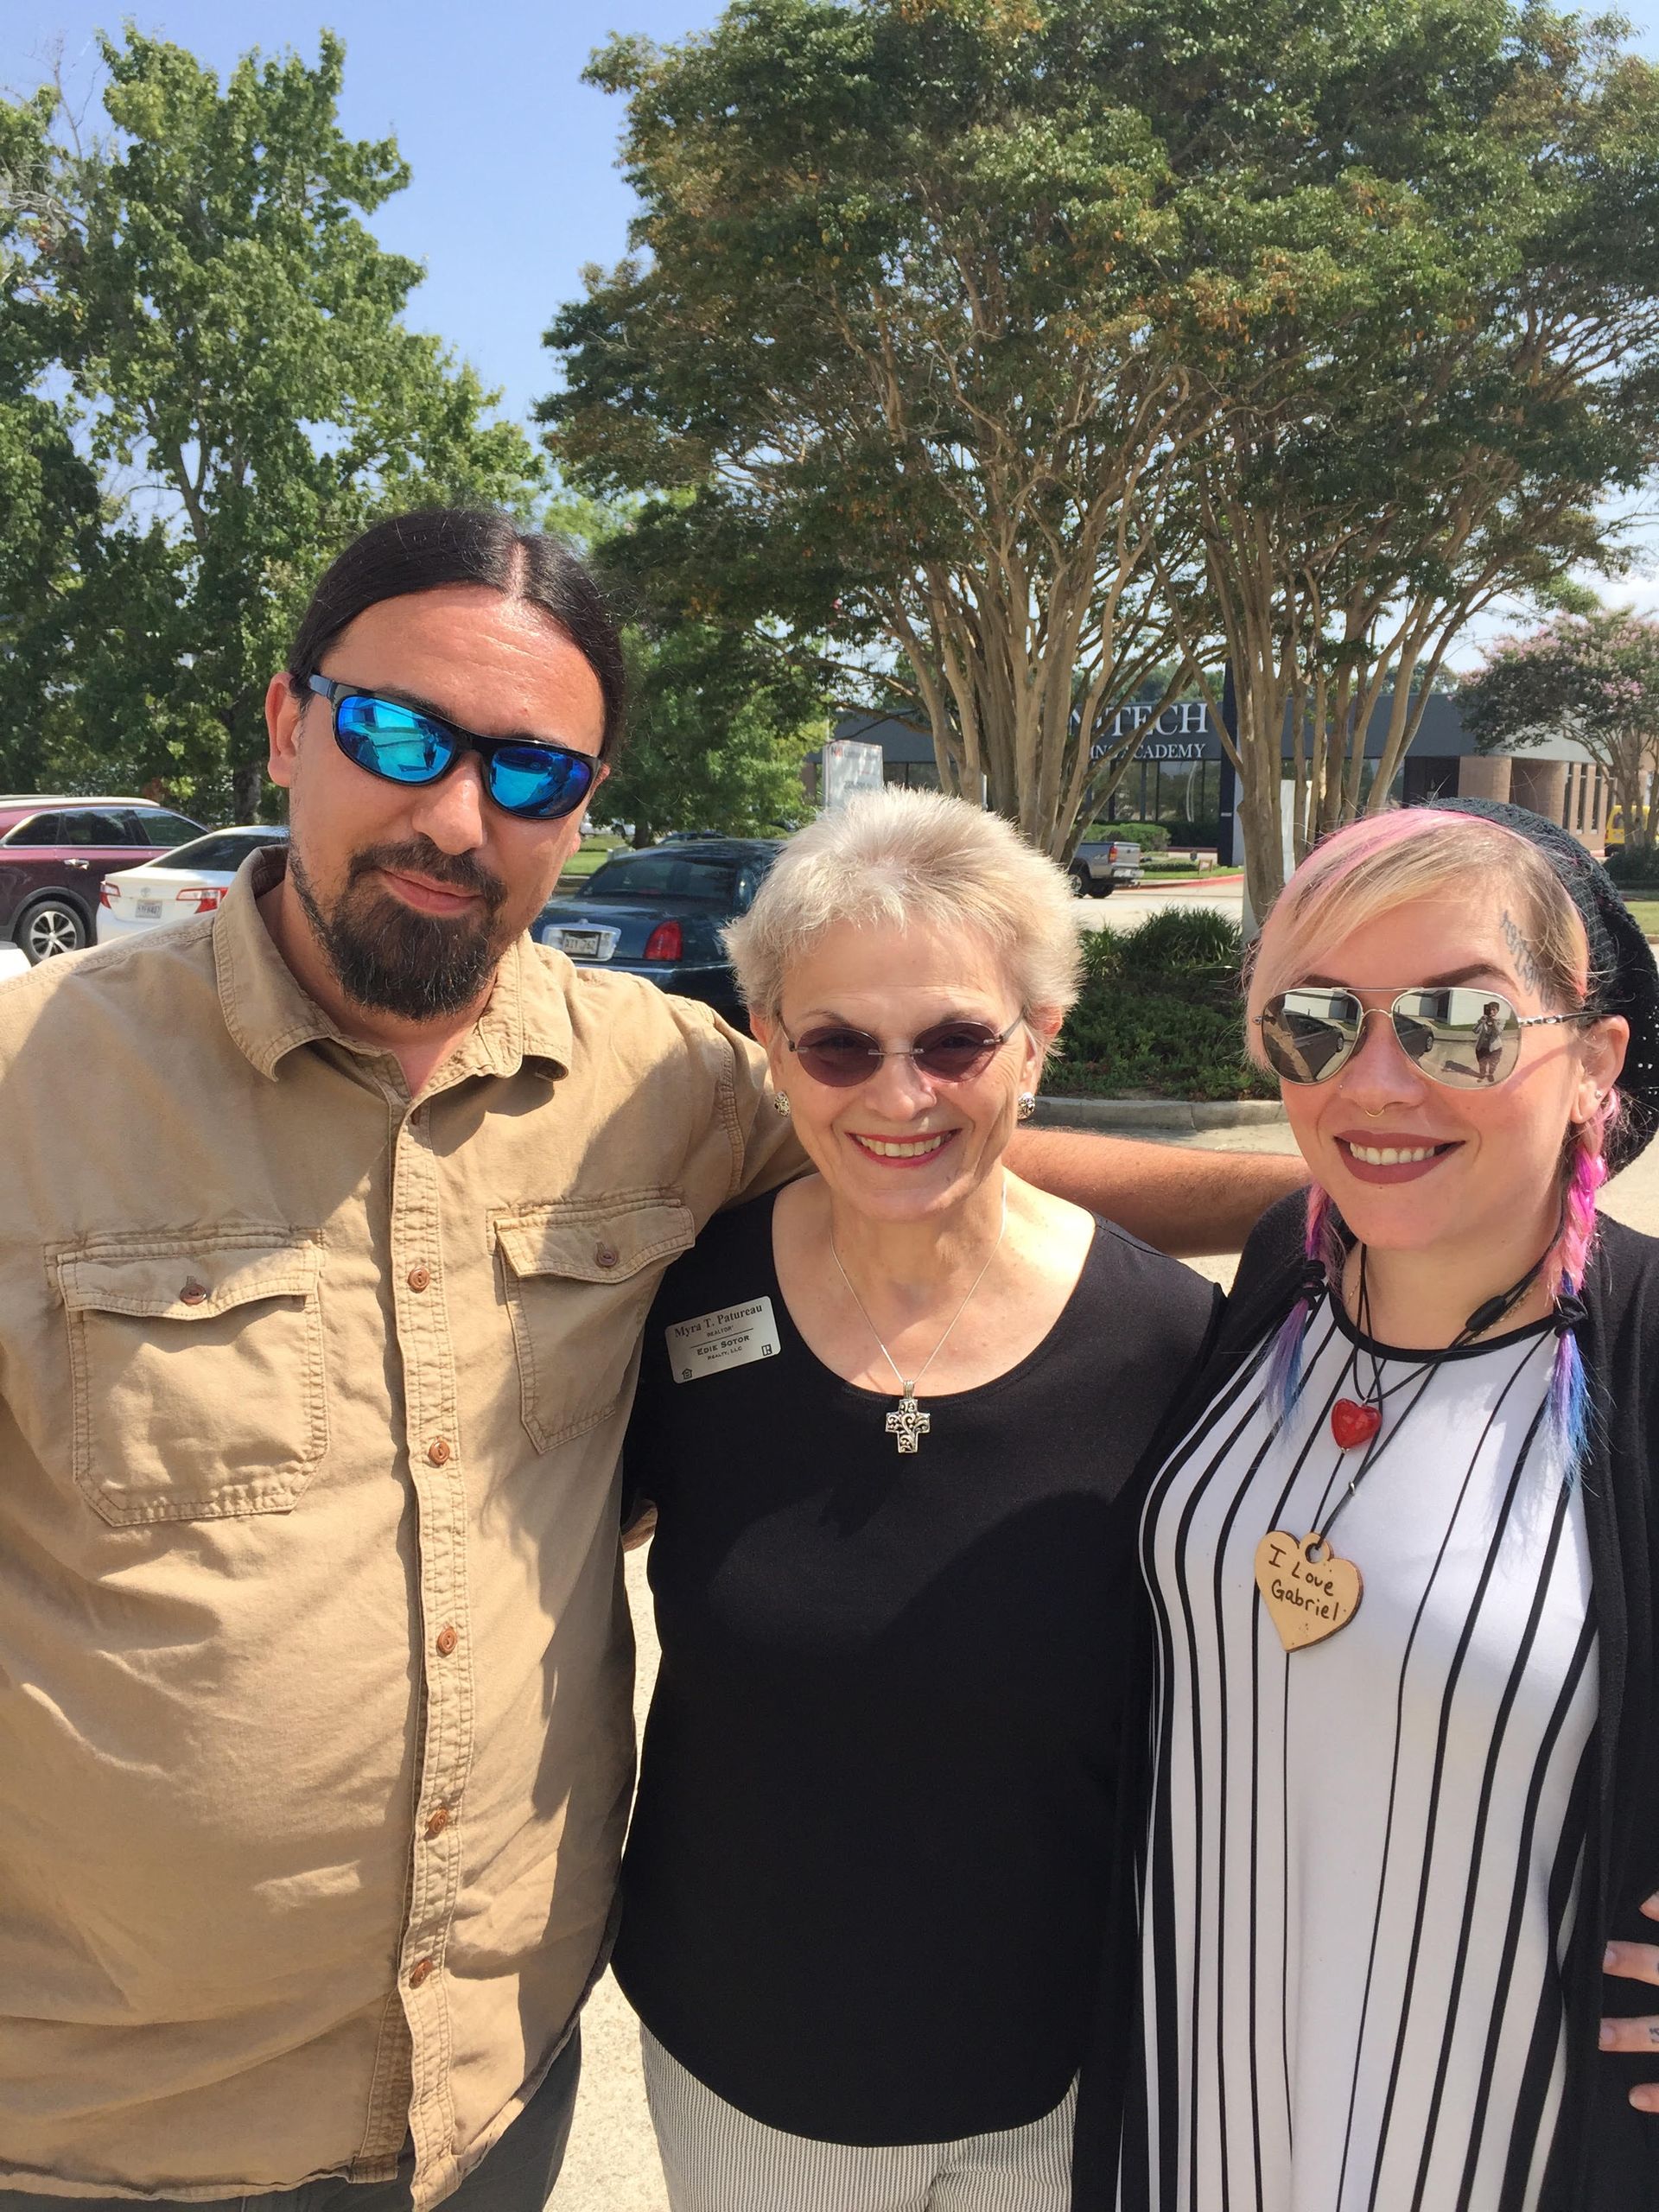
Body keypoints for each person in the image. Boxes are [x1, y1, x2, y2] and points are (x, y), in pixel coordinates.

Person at [0, 507, 1299, 2210]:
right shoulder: (36, 1090)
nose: (457, 815)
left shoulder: (662, 1083)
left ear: (582, 808)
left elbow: (931, 1139)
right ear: (285, 723)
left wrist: (1356, 1205)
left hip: (487, 2096)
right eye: (396, 733)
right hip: (103, 2125)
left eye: (531, 773)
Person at [612, 789, 1224, 2212]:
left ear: (1037, 1041)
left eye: (954, 1041)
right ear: (770, 1046)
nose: (899, 1095)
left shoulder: (1178, 1349)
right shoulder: (684, 1300)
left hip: (1066, 2073)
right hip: (746, 2065)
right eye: (838, 1044)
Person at [1082, 798, 1659, 2212]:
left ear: (1593, 1062)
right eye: (1317, 1024)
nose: (1377, 1083)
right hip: (1193, 2103)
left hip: (1494, 2137)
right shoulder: (1288, 1262)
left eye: (1459, 1023)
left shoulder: (1644, 1353)